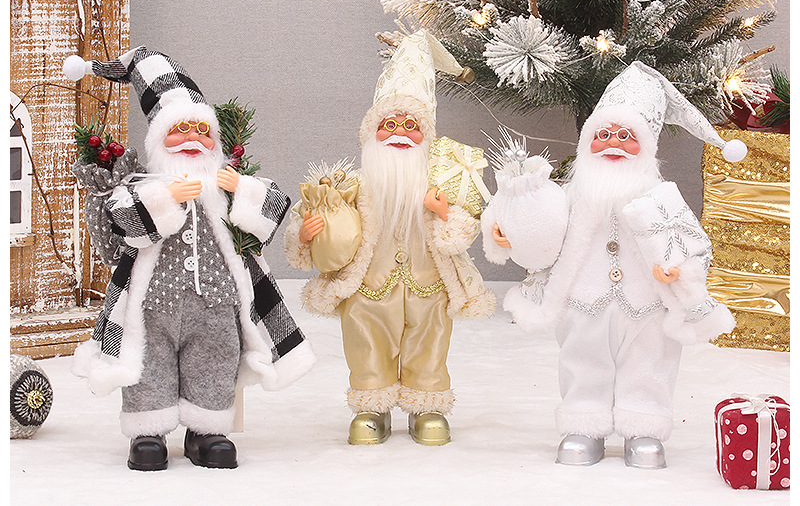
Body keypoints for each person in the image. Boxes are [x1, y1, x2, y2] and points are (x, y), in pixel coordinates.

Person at [64, 47, 314, 470]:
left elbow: (271, 211)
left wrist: (242, 188)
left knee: (214, 361)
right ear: (159, 141)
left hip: (216, 305)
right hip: (152, 308)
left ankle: (206, 432)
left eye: (203, 130)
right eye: (180, 130)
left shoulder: (224, 186)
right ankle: (148, 433)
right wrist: (166, 198)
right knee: (148, 364)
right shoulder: (142, 185)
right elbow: (122, 221)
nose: (194, 138)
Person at [489, 62, 743, 468]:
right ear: (588, 141)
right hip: (583, 298)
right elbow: (542, 229)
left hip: (646, 302)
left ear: (647, 147)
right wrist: (512, 234)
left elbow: (694, 244)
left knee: (649, 359)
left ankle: (644, 424)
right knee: (582, 356)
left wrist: (677, 270)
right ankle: (583, 423)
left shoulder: (662, 197)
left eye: (626, 136)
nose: (613, 143)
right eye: (603, 134)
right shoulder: (571, 194)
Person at [285, 30, 495, 446]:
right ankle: (371, 405)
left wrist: (442, 212)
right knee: (366, 343)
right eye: (390, 125)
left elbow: (461, 234)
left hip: (429, 285)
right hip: (368, 286)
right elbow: (321, 220)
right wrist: (306, 235)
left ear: (425, 136)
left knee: (430, 340)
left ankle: (427, 406)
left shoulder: (439, 182)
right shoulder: (353, 184)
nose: (400, 132)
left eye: (411, 126)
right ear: (372, 133)